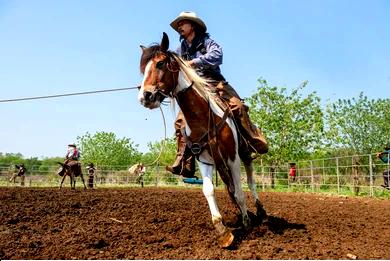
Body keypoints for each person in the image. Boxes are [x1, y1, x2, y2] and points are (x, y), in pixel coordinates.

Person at [166, 11, 268, 178]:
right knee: (180, 123)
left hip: (215, 83)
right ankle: (184, 160)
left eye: (182, 23)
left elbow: (217, 55)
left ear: (193, 26)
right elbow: (170, 68)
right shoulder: (180, 49)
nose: (179, 27)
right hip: (194, 89)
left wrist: (194, 62)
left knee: (238, 106)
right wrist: (153, 81)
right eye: (178, 25)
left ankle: (250, 142)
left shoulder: (208, 42)